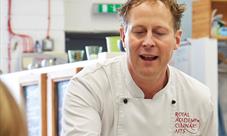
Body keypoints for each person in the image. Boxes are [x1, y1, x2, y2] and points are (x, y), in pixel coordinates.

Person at [62, 0, 217, 135]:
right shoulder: (89, 87)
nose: (148, 42)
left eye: (159, 33)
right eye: (139, 32)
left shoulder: (198, 98)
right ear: (123, 37)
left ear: (176, 39)